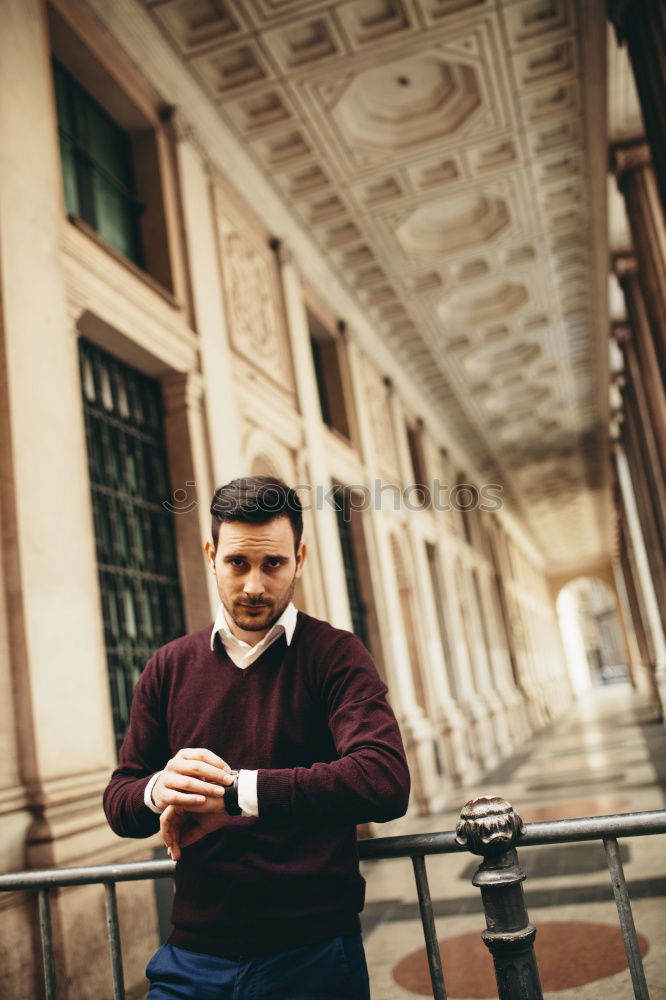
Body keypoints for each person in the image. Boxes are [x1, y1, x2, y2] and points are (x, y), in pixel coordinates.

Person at [103, 475, 410, 999]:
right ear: (211, 554)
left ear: (301, 556)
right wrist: (162, 788)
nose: (253, 586)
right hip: (190, 957)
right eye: (237, 563)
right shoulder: (167, 667)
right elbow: (120, 799)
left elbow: (384, 781)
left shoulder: (335, 655)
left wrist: (234, 796)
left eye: (273, 564)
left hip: (312, 954)